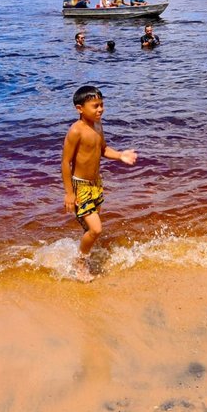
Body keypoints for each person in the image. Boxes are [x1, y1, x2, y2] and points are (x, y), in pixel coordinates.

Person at [61, 84, 138, 281]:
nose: (100, 109)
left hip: (96, 184)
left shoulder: (98, 125)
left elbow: (103, 149)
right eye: (95, 106)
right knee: (96, 229)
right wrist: (69, 193)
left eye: (102, 105)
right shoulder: (76, 131)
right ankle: (79, 263)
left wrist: (120, 155)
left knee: (90, 229)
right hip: (80, 186)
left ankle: (85, 253)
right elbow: (65, 162)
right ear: (80, 109)